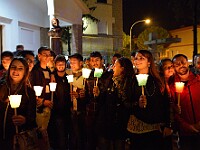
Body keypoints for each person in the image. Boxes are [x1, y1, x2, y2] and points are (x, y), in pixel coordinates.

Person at [127, 50, 169, 150]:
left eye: (142, 58)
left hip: (155, 127)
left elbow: (166, 102)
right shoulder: (130, 80)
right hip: (137, 127)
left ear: (149, 62)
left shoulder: (158, 80)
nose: (137, 61)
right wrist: (138, 104)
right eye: (136, 58)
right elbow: (126, 102)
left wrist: (169, 124)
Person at [94, 57, 134, 150]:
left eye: (115, 66)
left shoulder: (130, 83)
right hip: (106, 121)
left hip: (120, 123)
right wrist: (98, 94)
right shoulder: (109, 80)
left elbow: (128, 103)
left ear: (122, 68)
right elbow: (102, 100)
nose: (112, 68)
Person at [0, 57, 37, 149]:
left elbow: (32, 118)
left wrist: (24, 120)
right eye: (13, 67)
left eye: (20, 68)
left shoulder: (29, 92)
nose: (16, 70)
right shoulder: (1, 88)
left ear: (25, 72)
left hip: (17, 138)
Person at [170, 54, 200, 150]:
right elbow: (173, 110)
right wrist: (188, 126)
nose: (181, 65)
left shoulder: (198, 80)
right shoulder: (172, 86)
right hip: (185, 132)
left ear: (188, 63)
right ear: (174, 67)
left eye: (183, 62)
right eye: (177, 64)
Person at [31, 46, 52, 149]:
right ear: (39, 56)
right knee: (40, 133)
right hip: (39, 108)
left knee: (45, 131)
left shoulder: (48, 70)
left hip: (48, 106)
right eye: (45, 55)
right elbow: (32, 90)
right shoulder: (35, 71)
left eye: (49, 55)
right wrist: (43, 102)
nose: (48, 57)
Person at [48, 55, 71, 149]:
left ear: (66, 65)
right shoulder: (52, 78)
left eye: (63, 64)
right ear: (55, 65)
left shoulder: (69, 78)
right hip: (56, 112)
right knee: (59, 136)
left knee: (66, 135)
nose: (61, 66)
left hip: (68, 111)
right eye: (58, 64)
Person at [68, 53, 89, 150]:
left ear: (81, 63)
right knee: (72, 135)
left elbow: (89, 96)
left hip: (82, 112)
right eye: (70, 62)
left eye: (74, 62)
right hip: (71, 110)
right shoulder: (69, 75)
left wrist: (81, 96)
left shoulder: (86, 77)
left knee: (81, 136)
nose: (72, 64)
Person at [159, 58, 176, 150]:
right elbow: (164, 105)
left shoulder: (173, 81)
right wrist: (167, 124)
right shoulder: (160, 84)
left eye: (171, 66)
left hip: (174, 121)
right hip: (164, 122)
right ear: (161, 69)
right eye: (166, 67)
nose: (170, 69)